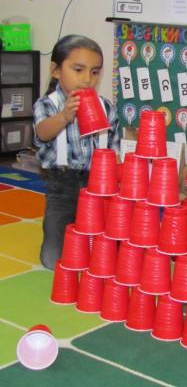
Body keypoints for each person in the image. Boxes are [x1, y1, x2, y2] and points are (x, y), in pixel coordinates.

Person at [33, 35, 120, 270]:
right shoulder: (48, 104)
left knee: (112, 253)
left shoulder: (106, 107)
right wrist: (64, 117)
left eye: (94, 72)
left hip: (98, 187)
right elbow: (42, 133)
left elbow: (114, 153)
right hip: (61, 186)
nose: (86, 80)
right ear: (56, 70)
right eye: (78, 70)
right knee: (54, 259)